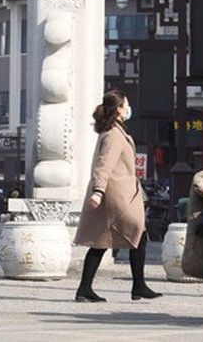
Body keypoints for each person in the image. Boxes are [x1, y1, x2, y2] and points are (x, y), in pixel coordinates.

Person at [74, 90, 162, 303]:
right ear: (120, 109)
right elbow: (104, 165)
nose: (129, 108)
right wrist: (98, 191)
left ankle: (88, 289)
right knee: (134, 234)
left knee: (106, 240)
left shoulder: (115, 132)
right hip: (117, 196)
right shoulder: (114, 135)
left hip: (122, 194)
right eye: (126, 104)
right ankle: (136, 286)